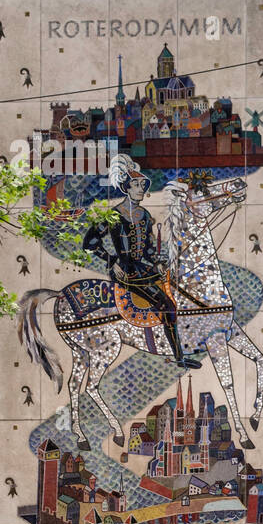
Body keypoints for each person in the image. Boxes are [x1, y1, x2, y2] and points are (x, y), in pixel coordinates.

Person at [82, 154, 201, 369]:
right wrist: (112, 261)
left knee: (179, 288)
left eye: (142, 184)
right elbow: (89, 242)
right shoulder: (114, 215)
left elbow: (146, 249)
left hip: (144, 268)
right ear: (126, 187)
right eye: (136, 184)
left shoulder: (145, 215)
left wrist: (157, 261)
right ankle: (179, 359)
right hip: (125, 272)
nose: (140, 188)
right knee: (167, 305)